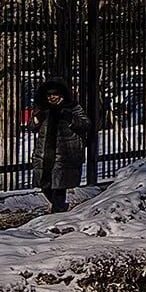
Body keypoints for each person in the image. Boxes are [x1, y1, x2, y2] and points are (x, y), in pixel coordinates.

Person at [32, 78, 92, 213]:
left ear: (61, 95)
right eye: (49, 95)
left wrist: (70, 118)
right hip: (44, 152)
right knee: (44, 184)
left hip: (64, 153)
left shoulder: (72, 107)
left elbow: (86, 124)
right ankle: (59, 207)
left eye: (55, 94)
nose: (51, 98)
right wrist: (37, 118)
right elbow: (32, 126)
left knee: (59, 185)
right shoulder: (43, 108)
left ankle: (58, 210)